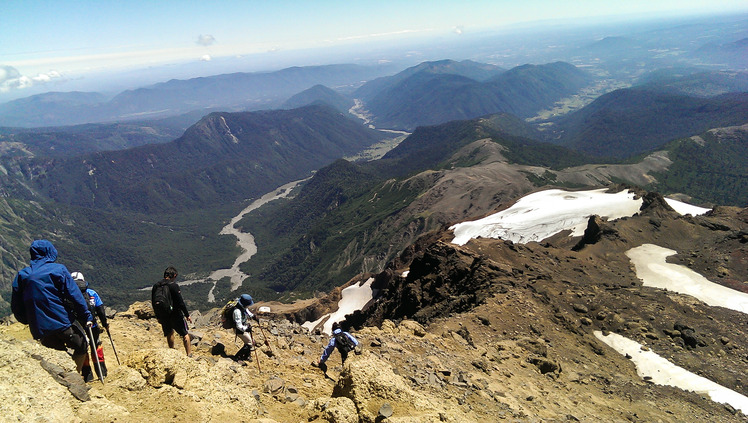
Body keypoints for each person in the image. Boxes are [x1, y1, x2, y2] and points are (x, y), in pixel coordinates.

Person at [11, 240, 94, 374]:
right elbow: (75, 295)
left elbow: (16, 305)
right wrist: (86, 316)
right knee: (82, 345)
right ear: (50, 252)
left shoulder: (22, 275)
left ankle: (64, 378)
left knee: (56, 355)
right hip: (62, 321)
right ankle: (76, 376)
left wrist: (28, 320)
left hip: (40, 328)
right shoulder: (58, 270)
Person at [71, 271, 109, 382]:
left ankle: (87, 375)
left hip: (78, 327)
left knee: (82, 348)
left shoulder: (70, 294)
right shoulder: (92, 293)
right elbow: (101, 310)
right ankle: (102, 372)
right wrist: (105, 324)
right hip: (92, 325)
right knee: (96, 346)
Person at [151, 266, 192, 356]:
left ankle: (172, 352)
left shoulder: (156, 286)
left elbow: (153, 302)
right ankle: (189, 355)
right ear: (174, 275)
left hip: (163, 314)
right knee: (185, 334)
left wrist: (158, 316)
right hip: (175, 314)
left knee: (169, 332)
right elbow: (180, 302)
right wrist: (187, 315)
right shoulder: (173, 285)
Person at [232, 294, 259, 361]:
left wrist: (253, 316)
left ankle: (246, 356)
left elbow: (247, 312)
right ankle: (238, 357)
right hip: (239, 330)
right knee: (249, 343)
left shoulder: (242, 307)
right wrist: (246, 329)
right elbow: (238, 325)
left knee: (249, 342)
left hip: (243, 328)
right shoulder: (237, 311)